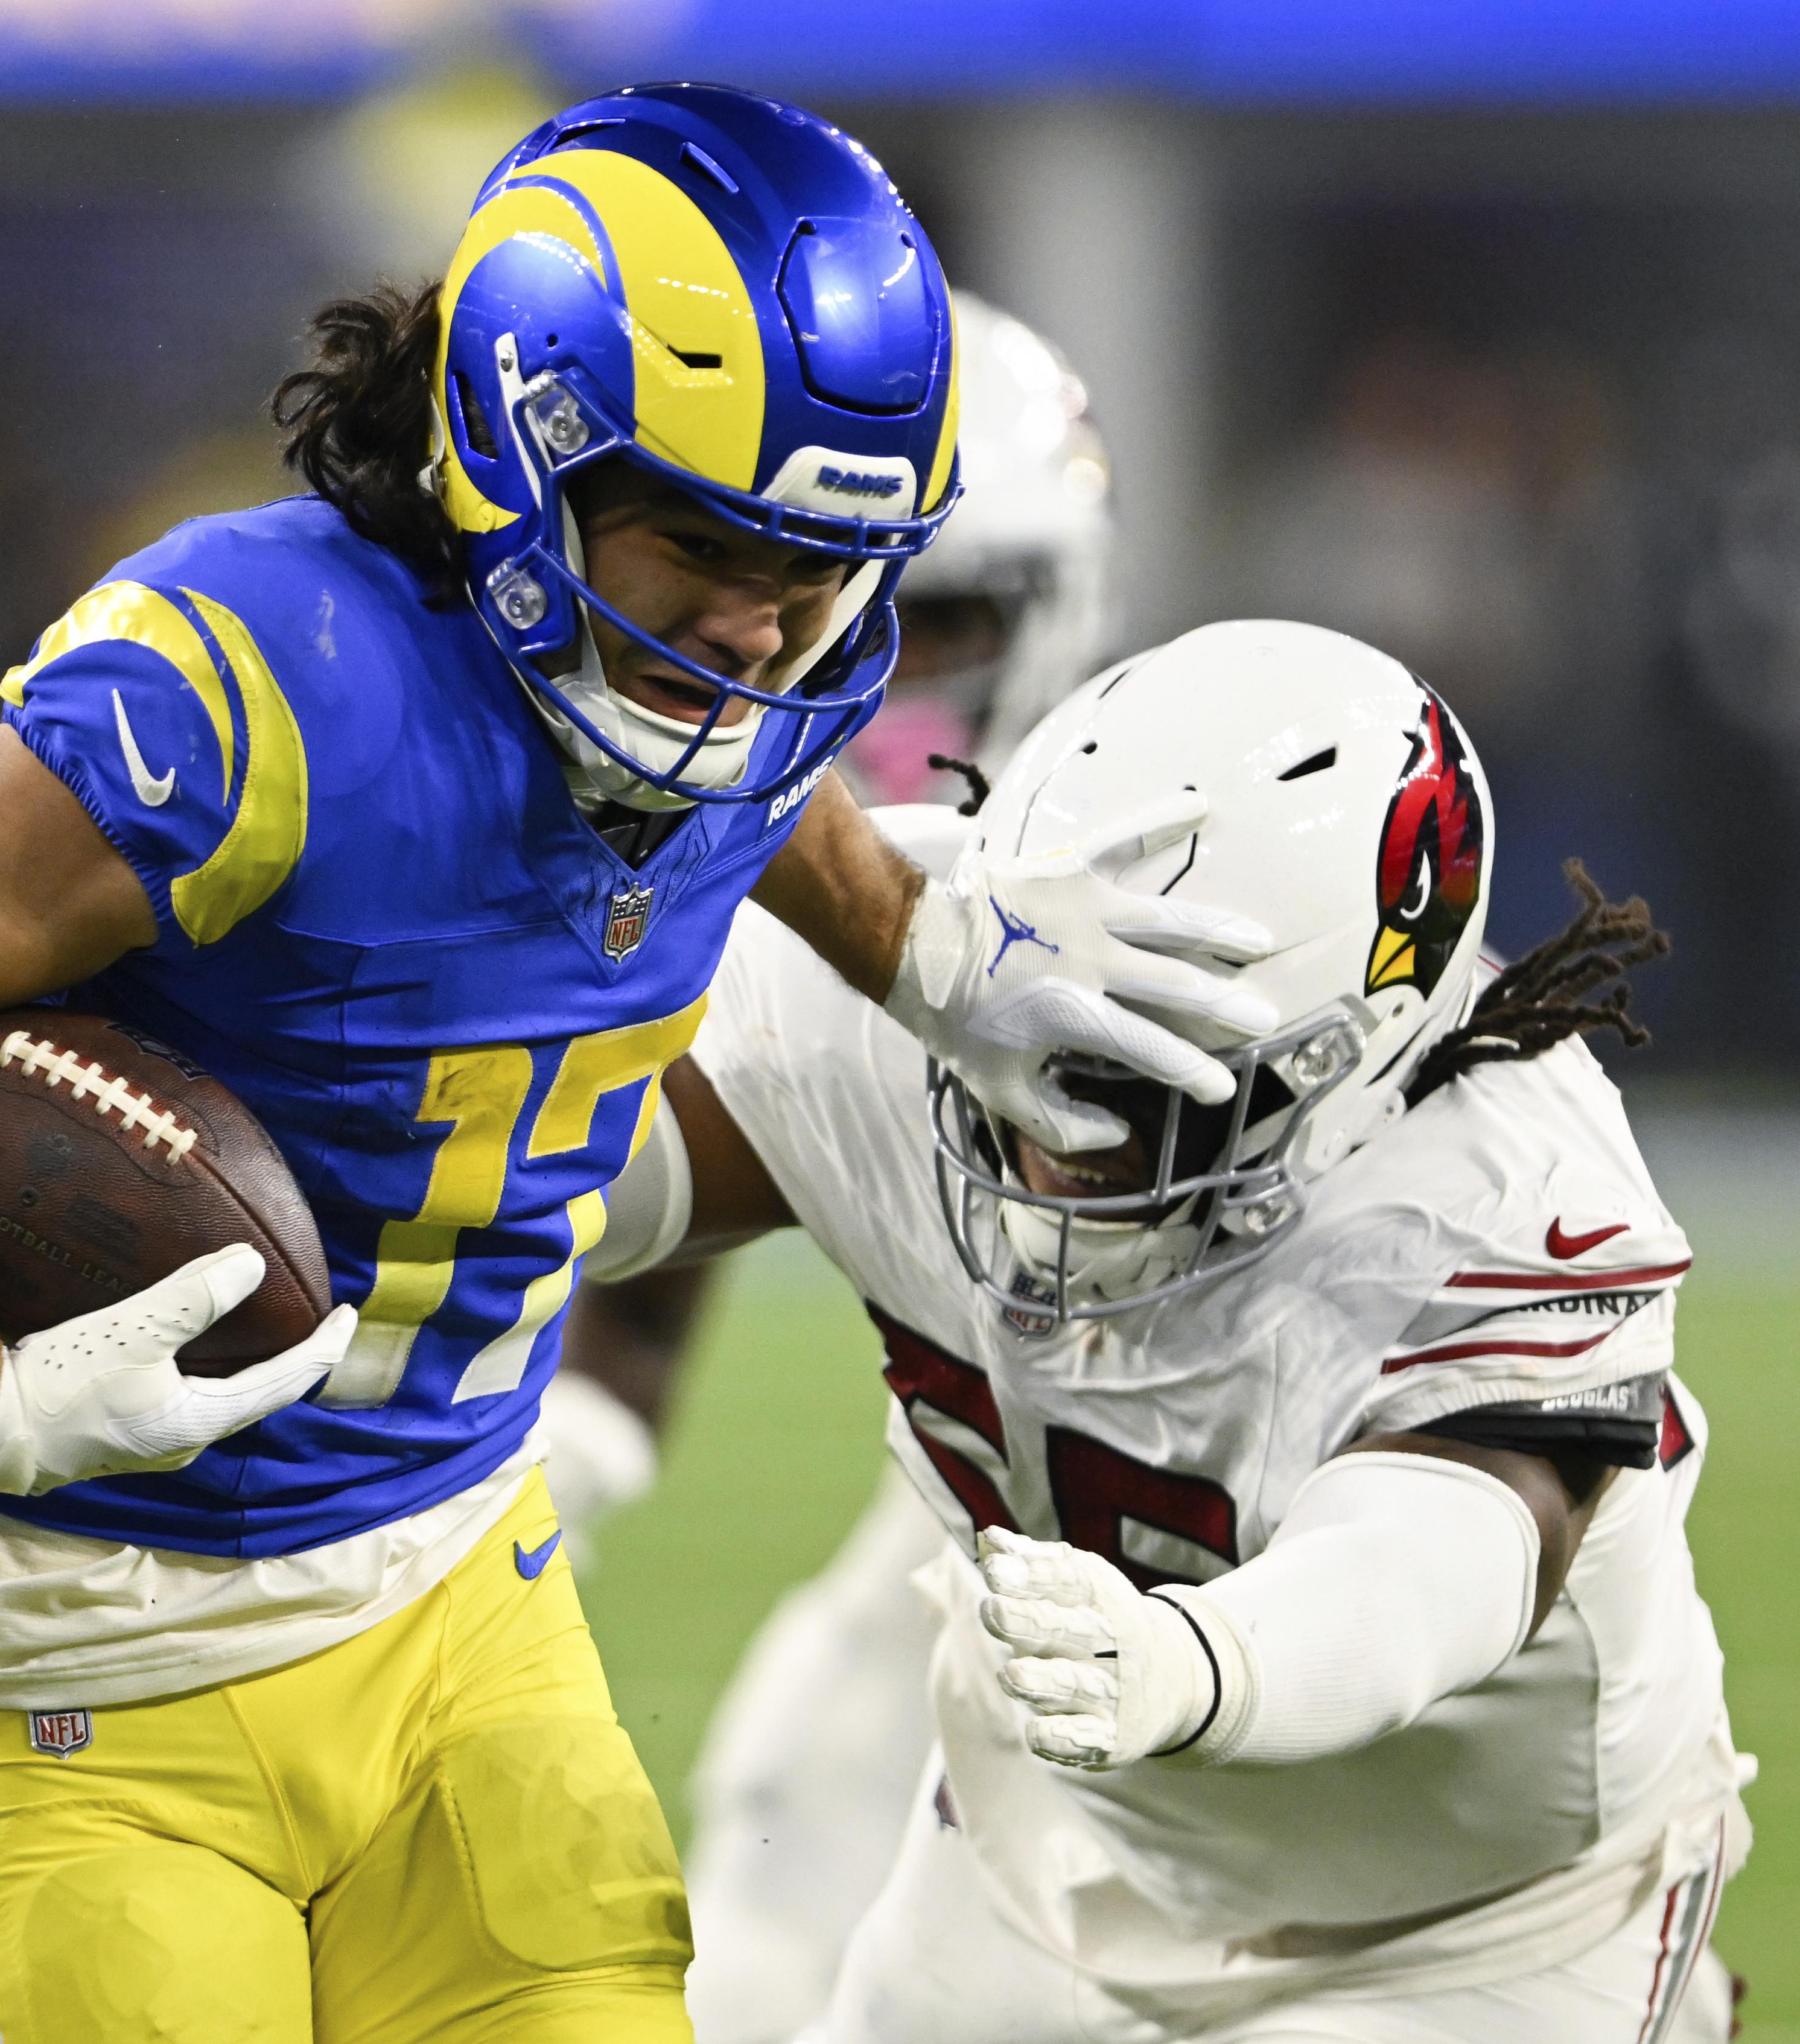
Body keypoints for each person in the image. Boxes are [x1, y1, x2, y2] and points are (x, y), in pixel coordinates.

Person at [0, 84, 1276, 2044]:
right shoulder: (275, 681)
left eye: (822, 566)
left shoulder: (754, 666)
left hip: (467, 1597)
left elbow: (767, 744)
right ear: (519, 466)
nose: (763, 630)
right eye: (702, 545)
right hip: (106, 1631)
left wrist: (923, 948)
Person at [583, 620, 1751, 2043]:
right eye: (1041, 1038)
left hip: (1474, 1928)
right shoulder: (926, 965)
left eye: (1140, 1077)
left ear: (1342, 1072)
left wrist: (1203, 1664)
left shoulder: (1497, 1195)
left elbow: (1439, 1558)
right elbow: (558, 1164)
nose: (1050, 1124)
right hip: (1054, 1839)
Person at [544, 288, 1123, 2043]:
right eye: (800, 583)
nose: (834, 659)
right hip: (1007, 1465)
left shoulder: (1128, 864)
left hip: (1235, 1489)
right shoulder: (647, 816)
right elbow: (620, 1193)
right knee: (834, 1760)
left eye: (916, 613)